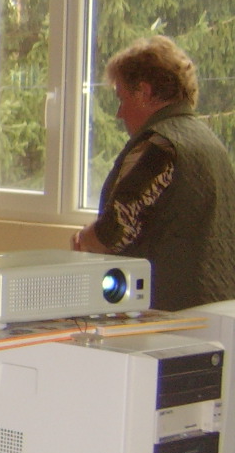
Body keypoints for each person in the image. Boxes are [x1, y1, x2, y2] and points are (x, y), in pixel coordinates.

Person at [73, 35, 235, 310]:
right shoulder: (209, 142)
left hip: (167, 308)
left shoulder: (159, 146)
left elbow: (115, 232)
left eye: (122, 98)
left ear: (144, 92)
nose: (119, 113)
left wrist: (84, 239)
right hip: (217, 305)